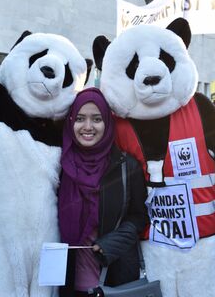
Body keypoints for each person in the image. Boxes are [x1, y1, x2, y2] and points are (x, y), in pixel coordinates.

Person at [58, 88, 146, 296]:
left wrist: (111, 243)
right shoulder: (60, 165)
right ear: (71, 122)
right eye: (80, 118)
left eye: (96, 119)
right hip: (67, 280)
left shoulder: (125, 166)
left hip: (113, 277)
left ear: (107, 123)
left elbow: (139, 217)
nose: (87, 127)